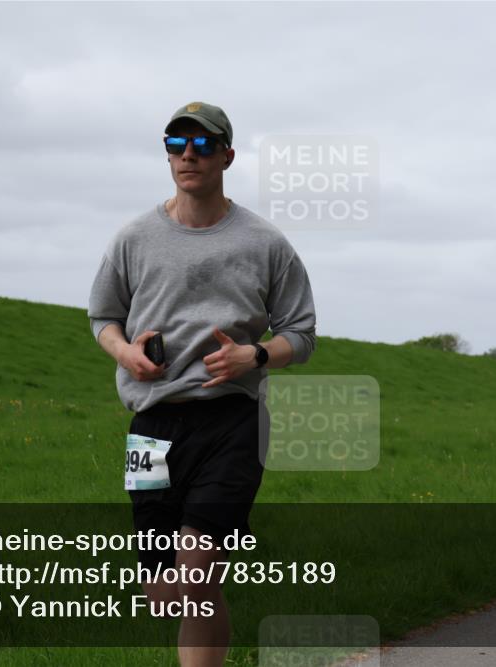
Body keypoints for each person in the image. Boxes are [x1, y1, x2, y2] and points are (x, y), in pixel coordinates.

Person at [87, 101, 317, 666]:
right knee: (166, 595)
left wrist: (254, 355)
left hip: (231, 421)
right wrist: (126, 353)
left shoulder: (265, 243)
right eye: (176, 144)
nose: (188, 155)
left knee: (195, 571)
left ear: (227, 156)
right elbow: (102, 318)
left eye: (203, 144)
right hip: (151, 427)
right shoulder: (134, 237)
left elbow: (302, 334)